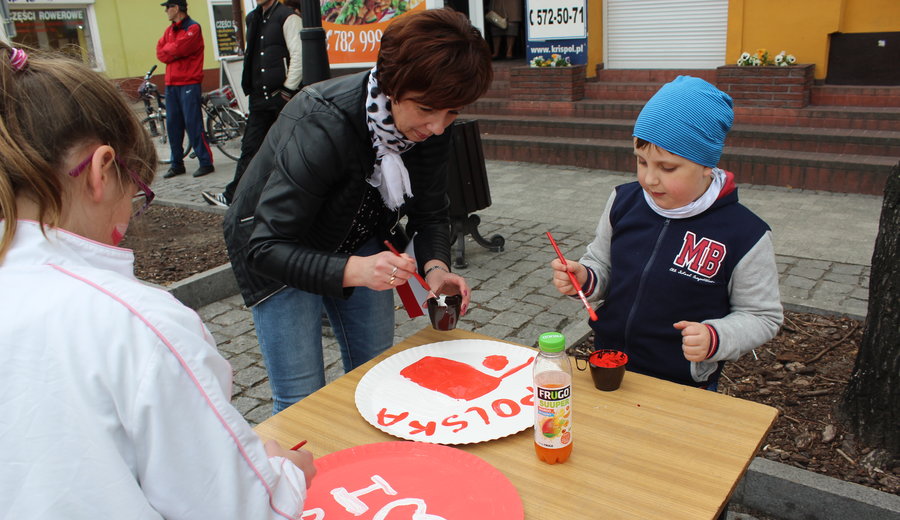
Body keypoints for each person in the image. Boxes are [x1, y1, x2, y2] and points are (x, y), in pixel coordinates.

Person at [0, 43, 315, 520]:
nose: (130, 213)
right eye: (136, 192)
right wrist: (293, 473)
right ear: (101, 170)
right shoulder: (135, 323)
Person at [223, 7, 493, 414]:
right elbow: (265, 248)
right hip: (278, 247)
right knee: (302, 399)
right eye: (426, 110)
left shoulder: (433, 120)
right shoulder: (323, 121)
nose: (438, 127)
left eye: (451, 112)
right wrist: (356, 271)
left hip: (357, 235)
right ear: (391, 85)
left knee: (376, 375)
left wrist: (435, 269)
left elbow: (431, 211)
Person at [551, 75, 784, 391]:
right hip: (611, 366)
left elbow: (762, 316)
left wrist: (717, 338)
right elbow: (602, 264)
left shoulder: (745, 234)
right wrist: (586, 278)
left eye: (667, 167)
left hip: (683, 383)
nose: (649, 179)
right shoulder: (623, 201)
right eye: (641, 161)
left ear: (706, 164)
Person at [202, 0, 303, 208]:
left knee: (288, 150)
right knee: (250, 149)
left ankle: (289, 199)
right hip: (259, 98)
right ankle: (233, 197)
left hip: (280, 98)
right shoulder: (253, 18)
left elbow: (298, 54)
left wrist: (287, 89)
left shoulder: (288, 17)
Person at [156, 0, 215, 178]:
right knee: (173, 125)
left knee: (193, 123)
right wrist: (171, 51)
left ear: (176, 8)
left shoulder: (193, 28)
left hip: (189, 83)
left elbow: (179, 49)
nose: (166, 11)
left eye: (168, 7)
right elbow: (160, 52)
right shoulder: (169, 31)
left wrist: (171, 51)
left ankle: (205, 162)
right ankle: (177, 164)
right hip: (172, 84)